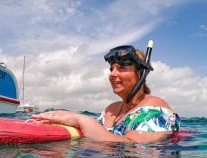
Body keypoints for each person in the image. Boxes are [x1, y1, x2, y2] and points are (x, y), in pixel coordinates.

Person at [32, 44, 180, 143]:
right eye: (111, 69)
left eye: (121, 68)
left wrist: (82, 120)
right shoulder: (111, 109)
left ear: (141, 74)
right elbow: (92, 136)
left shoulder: (154, 107)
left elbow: (134, 148)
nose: (112, 74)